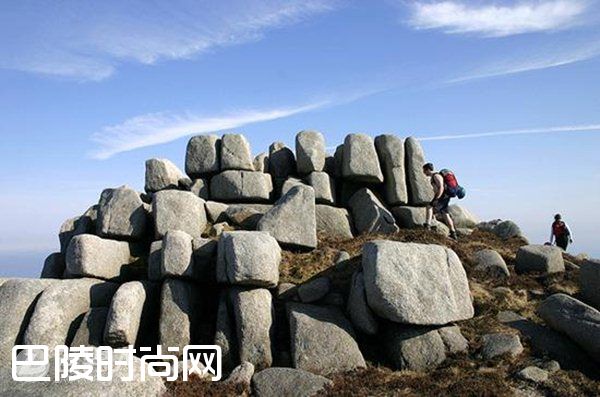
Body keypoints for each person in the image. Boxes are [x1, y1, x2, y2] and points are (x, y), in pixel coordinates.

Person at [423, 162, 457, 240]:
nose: (424, 173)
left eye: (424, 171)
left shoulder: (436, 176)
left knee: (429, 206)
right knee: (445, 213)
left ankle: (427, 226)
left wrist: (436, 198)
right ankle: (453, 233)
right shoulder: (435, 176)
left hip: (442, 196)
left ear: (428, 169)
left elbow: (441, 187)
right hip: (445, 196)